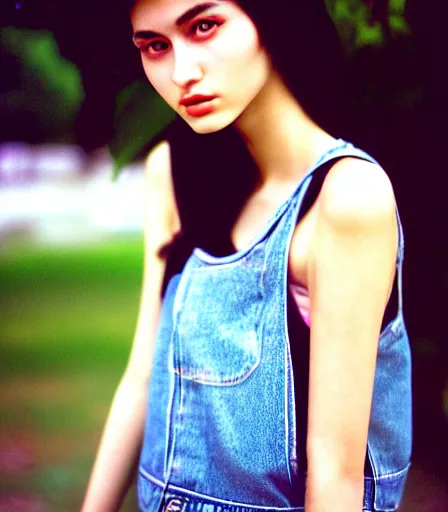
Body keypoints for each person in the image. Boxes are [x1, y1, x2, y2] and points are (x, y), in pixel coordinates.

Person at [82, 0, 412, 510]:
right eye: (154, 45)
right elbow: (142, 375)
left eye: (205, 26)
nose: (181, 72)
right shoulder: (171, 173)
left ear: (270, 18)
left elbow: (336, 471)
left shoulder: (345, 197)